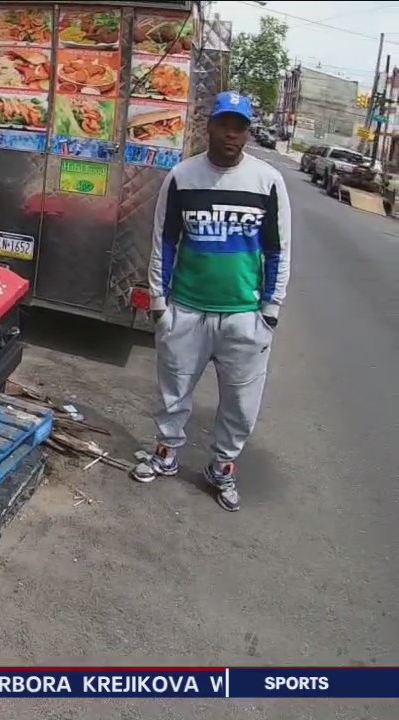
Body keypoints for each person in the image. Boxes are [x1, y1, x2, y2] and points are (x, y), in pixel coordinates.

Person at [130, 91, 291, 512]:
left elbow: (278, 250)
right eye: (224, 124)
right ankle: (166, 453)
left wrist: (270, 310)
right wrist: (161, 305)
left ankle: (223, 466)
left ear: (248, 132)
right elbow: (163, 240)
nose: (231, 135)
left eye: (240, 127)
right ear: (210, 126)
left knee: (240, 400)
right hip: (187, 308)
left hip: (244, 316)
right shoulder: (182, 177)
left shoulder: (268, 181)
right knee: (173, 389)